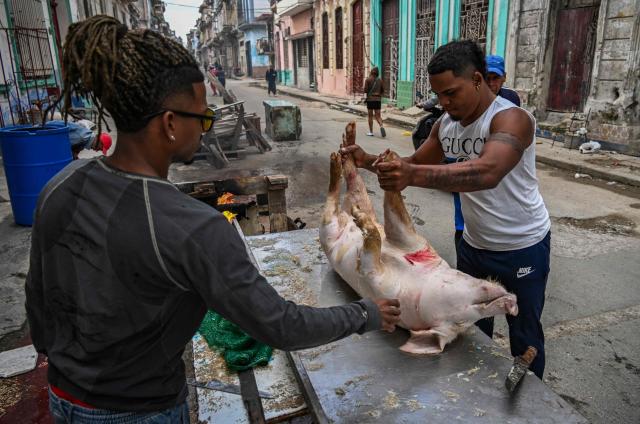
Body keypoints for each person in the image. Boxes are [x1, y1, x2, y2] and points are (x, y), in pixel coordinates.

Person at [27, 16, 401, 423]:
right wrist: (366, 314)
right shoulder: (191, 226)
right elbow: (279, 324)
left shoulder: (59, 186)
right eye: (203, 118)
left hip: (63, 396)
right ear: (170, 124)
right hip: (138, 410)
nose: (207, 129)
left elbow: (38, 299)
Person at [341, 40, 550, 379]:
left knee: (524, 330)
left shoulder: (512, 119)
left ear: (479, 79)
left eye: (452, 92)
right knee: (469, 328)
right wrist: (366, 161)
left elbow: (488, 171)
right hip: (472, 243)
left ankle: (533, 404)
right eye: (439, 95)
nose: (445, 103)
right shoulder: (446, 125)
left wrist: (411, 175)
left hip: (521, 246)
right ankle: (479, 393)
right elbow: (412, 163)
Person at [363, 67, 386, 137]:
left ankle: (371, 132)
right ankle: (381, 126)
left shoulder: (368, 80)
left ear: (371, 72)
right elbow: (383, 91)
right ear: (377, 73)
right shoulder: (380, 80)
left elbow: (365, 90)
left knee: (370, 116)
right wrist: (379, 95)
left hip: (370, 100)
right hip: (378, 100)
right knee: (378, 116)